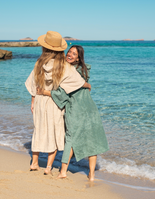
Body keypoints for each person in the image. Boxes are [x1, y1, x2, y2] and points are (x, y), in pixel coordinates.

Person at [37, 45, 109, 181]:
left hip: (75, 109)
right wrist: (86, 85)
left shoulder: (68, 71)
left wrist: (44, 92)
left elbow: (62, 94)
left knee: (70, 139)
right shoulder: (83, 70)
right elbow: (84, 87)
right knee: (92, 141)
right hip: (90, 109)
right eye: (69, 52)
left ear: (78, 57)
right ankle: (92, 175)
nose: (70, 54)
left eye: (74, 54)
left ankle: (63, 171)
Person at [25, 32, 91, 175]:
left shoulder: (39, 63)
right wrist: (87, 85)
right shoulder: (64, 66)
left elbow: (32, 84)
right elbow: (77, 82)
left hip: (40, 101)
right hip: (54, 103)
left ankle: (34, 163)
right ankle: (48, 168)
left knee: (38, 131)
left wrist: (33, 101)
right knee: (54, 135)